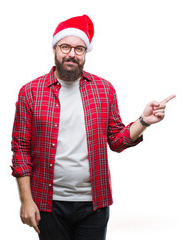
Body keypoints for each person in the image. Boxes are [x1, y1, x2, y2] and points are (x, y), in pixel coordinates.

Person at [11, 14, 175, 240]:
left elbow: (117, 141)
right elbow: (21, 148)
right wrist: (26, 200)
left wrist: (144, 120)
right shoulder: (30, 92)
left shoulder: (103, 90)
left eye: (79, 49)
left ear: (85, 53)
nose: (71, 54)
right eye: (65, 46)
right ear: (55, 49)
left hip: (94, 204)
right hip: (48, 203)